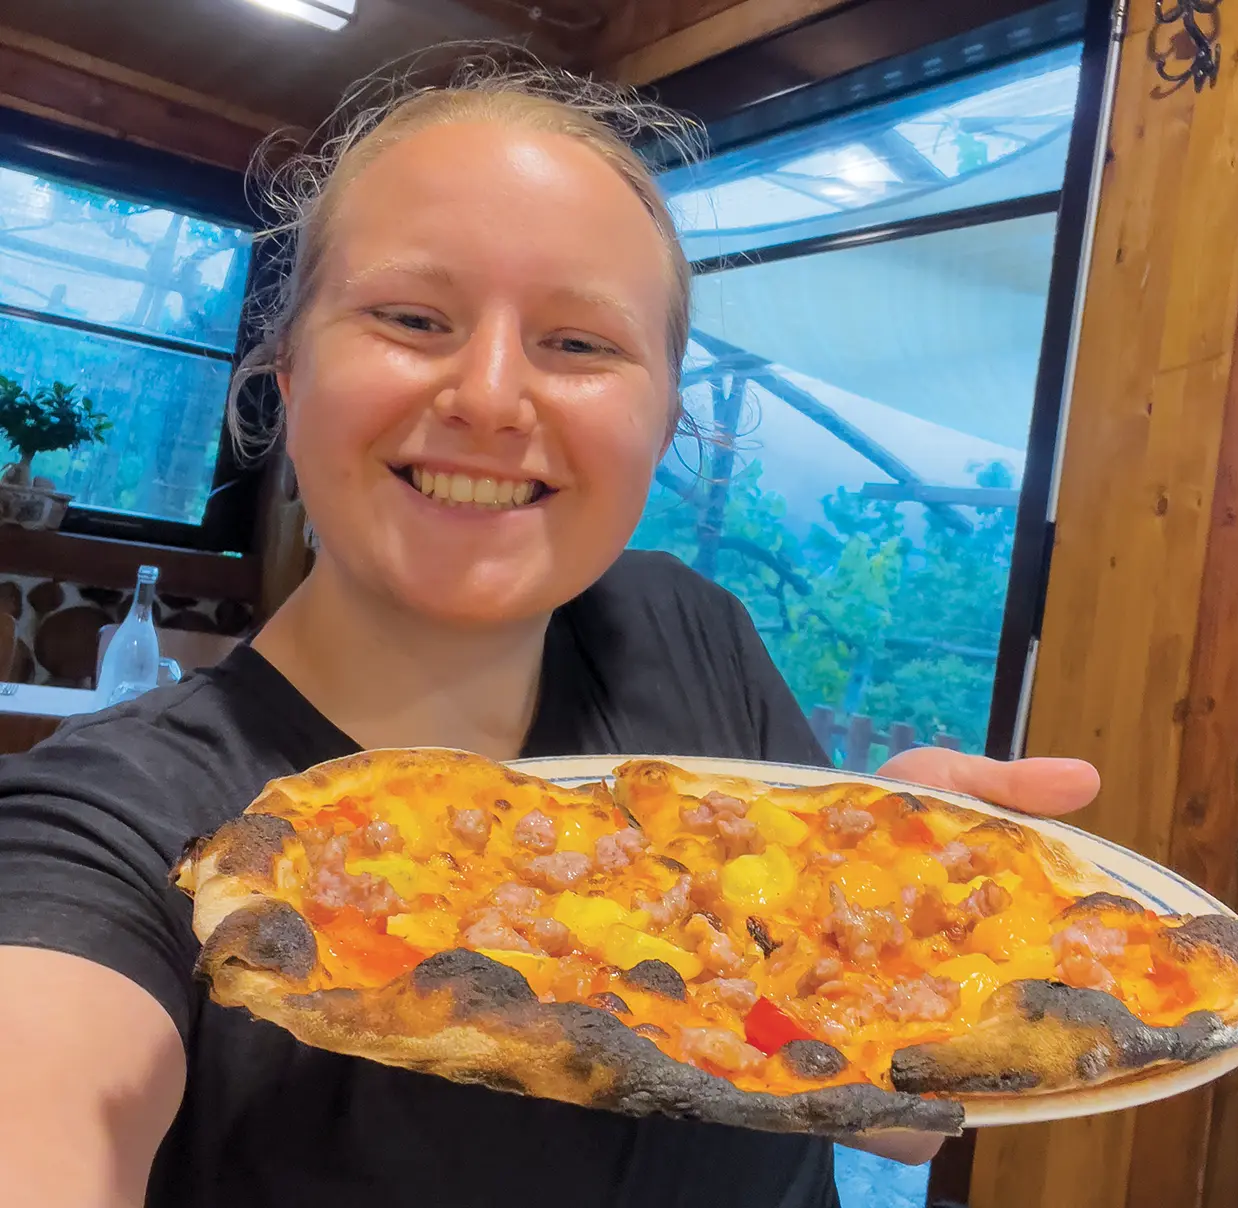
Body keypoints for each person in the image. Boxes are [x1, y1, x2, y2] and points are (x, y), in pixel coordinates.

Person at [0, 59, 1100, 1208]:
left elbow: (868, 1103)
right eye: (412, 317)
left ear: (665, 415)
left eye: (579, 344)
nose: (487, 394)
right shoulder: (110, 829)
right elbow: (50, 1090)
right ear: (287, 370)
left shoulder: (684, 631)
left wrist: (893, 932)